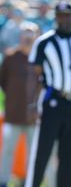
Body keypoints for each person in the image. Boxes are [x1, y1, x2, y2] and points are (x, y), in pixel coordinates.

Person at [25, 1, 71, 187]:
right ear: (55, 17)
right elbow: (35, 77)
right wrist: (32, 104)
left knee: (69, 157)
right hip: (52, 103)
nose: (65, 19)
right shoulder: (44, 42)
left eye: (68, 15)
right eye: (61, 15)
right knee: (42, 153)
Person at [0, 22, 40, 187]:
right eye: (25, 32)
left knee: (32, 153)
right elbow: (2, 82)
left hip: (34, 116)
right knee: (8, 150)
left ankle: (27, 182)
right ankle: (3, 181)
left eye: (31, 33)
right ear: (20, 35)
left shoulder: (40, 58)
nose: (28, 36)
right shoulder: (10, 57)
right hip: (13, 114)